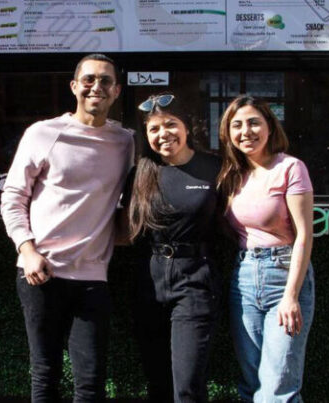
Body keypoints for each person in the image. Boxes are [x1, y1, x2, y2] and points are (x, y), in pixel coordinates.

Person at [0, 53, 134, 402]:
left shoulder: (125, 142)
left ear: (117, 90)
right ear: (74, 86)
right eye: (89, 79)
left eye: (106, 81)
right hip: (41, 273)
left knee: (91, 383)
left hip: (93, 277)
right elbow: (13, 196)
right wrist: (27, 250)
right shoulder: (43, 133)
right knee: (45, 375)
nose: (97, 87)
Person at [120, 93, 222, 402]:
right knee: (157, 383)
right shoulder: (140, 174)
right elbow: (124, 228)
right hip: (149, 282)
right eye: (154, 129)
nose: (163, 134)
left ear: (187, 127)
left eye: (170, 124)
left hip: (195, 281)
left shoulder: (214, 168)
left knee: (187, 385)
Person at [217, 95, 315, 402]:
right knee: (252, 382)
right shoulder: (233, 175)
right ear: (228, 133)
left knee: (277, 389)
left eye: (254, 122)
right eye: (237, 125)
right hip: (244, 278)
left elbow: (303, 236)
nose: (246, 131)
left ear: (270, 127)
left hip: (283, 276)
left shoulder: (290, 168)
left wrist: (291, 295)